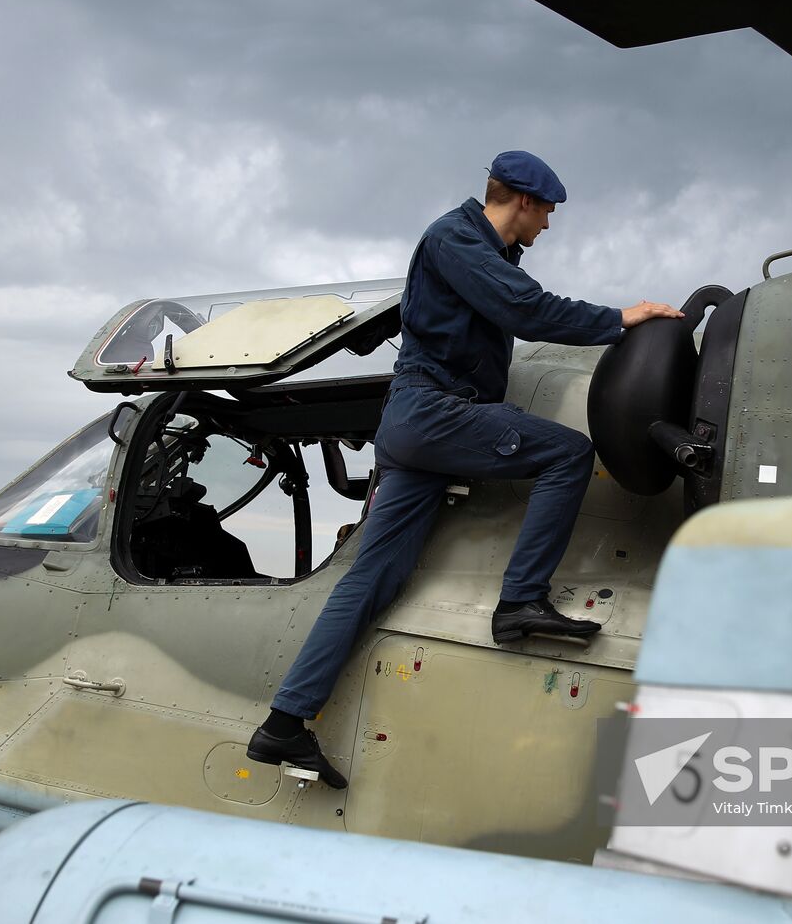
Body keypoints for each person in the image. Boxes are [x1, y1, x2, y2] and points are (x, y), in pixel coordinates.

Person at [246, 150, 683, 788]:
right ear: (524, 202)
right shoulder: (456, 238)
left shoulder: (472, 250)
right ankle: (520, 601)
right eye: (549, 213)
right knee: (567, 453)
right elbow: (529, 311)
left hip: (420, 427)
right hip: (435, 414)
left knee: (373, 579)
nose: (549, 227)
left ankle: (282, 725)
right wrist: (622, 319)